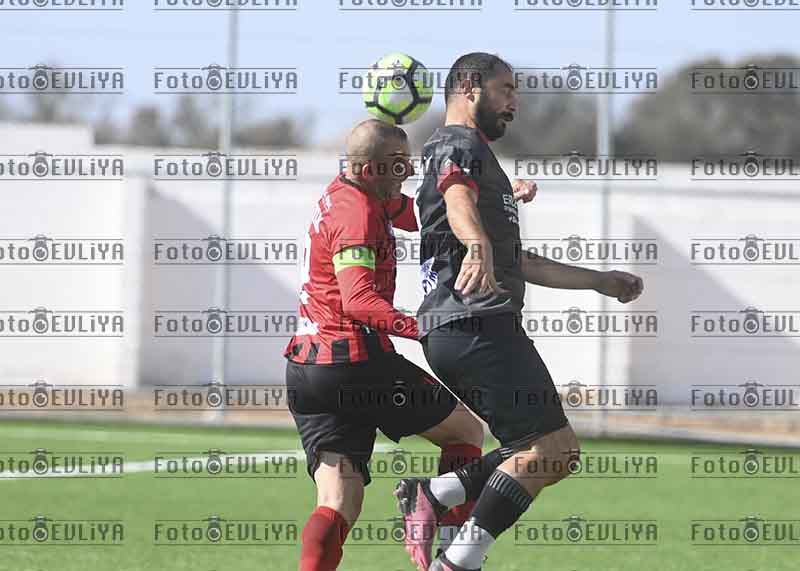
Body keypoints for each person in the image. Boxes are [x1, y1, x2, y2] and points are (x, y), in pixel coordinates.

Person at [395, 52, 644, 571]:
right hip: (473, 323)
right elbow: (457, 200)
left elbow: (519, 261)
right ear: (470, 88)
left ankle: (436, 495)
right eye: (505, 89)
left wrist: (599, 280)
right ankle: (455, 560)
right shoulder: (456, 145)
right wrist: (477, 245)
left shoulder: (478, 159)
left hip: (473, 325)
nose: (514, 101)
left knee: (552, 449)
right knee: (547, 450)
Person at [285, 119, 489, 571]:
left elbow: (421, 216)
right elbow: (358, 301)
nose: (409, 170)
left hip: (308, 370)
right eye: (399, 164)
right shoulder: (356, 215)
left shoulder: (355, 192)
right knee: (466, 432)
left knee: (339, 501)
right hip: (354, 364)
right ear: (371, 168)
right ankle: (453, 557)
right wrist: (425, 328)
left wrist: (494, 198)